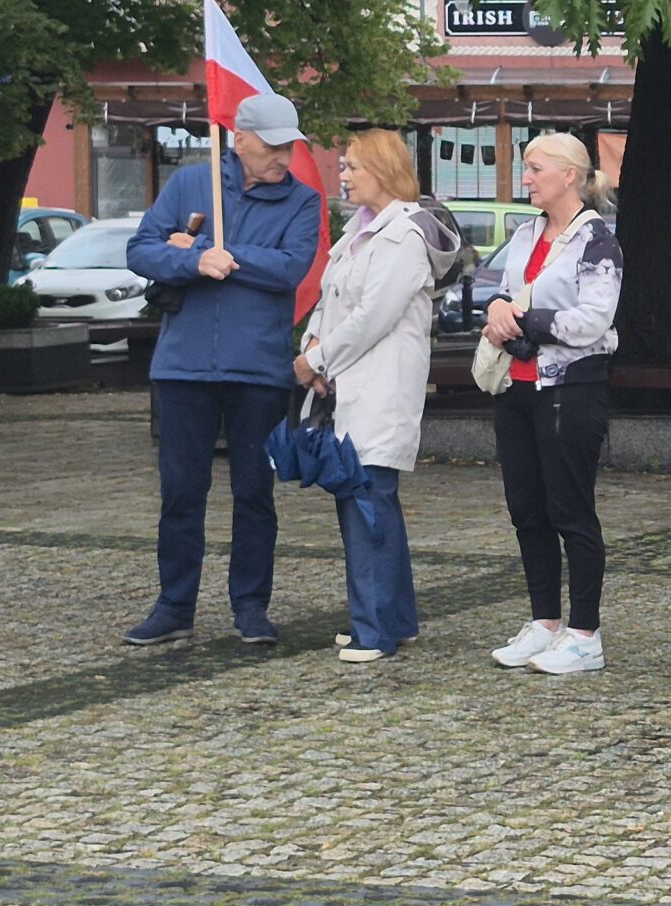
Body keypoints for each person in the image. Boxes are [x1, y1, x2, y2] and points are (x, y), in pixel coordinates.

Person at [120, 93, 324, 647]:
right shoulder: (191, 183)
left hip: (257, 368)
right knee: (181, 492)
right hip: (183, 366)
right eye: (272, 146)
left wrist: (214, 250)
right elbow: (141, 251)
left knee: (254, 492)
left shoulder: (302, 201)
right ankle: (174, 606)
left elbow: (290, 269)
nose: (282, 156)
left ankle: (251, 606)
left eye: (289, 146)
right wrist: (191, 260)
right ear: (240, 140)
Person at [294, 130, 467, 662]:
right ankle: (393, 618)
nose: (342, 176)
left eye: (352, 167)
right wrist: (313, 343)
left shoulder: (402, 237)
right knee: (367, 504)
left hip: (379, 390)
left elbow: (374, 317)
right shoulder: (360, 231)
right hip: (348, 384)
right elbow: (330, 302)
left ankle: (374, 630)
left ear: (383, 170)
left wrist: (319, 360)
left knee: (368, 506)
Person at [484, 133, 622, 676]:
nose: (526, 178)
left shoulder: (597, 241)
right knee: (527, 509)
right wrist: (497, 310)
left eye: (535, 168)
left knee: (571, 509)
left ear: (569, 175)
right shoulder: (524, 234)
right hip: (516, 386)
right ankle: (544, 621)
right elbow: (502, 294)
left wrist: (526, 322)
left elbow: (593, 320)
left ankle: (585, 633)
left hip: (571, 389)